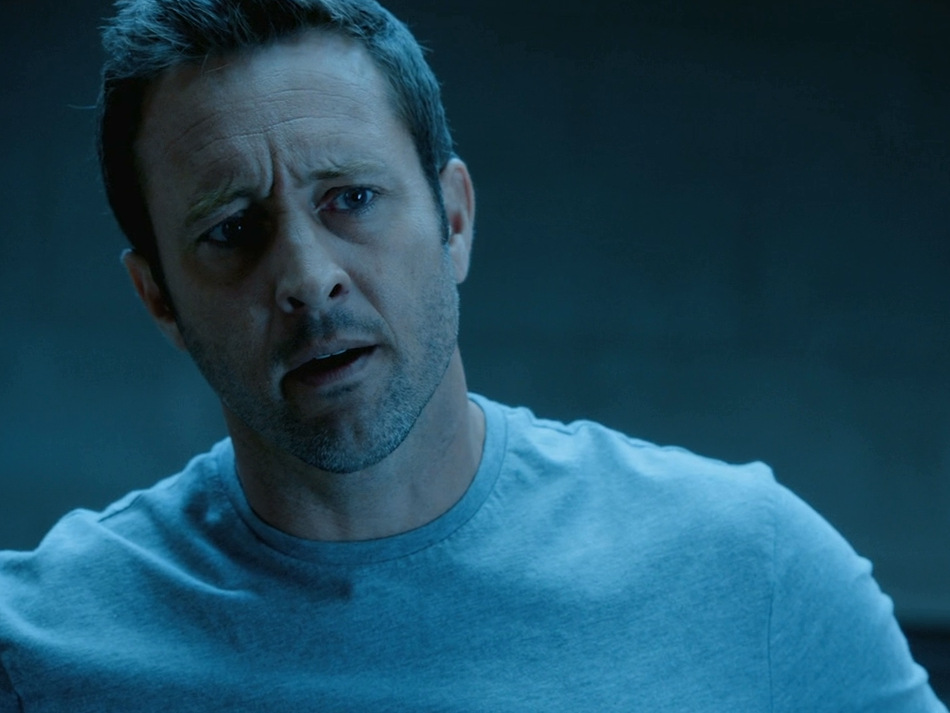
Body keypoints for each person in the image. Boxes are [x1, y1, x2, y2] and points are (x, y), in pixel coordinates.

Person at [0, 0, 945, 710]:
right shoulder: (39, 647)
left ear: (453, 219)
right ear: (159, 297)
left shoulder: (751, 570)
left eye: (350, 198)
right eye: (233, 229)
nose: (309, 278)